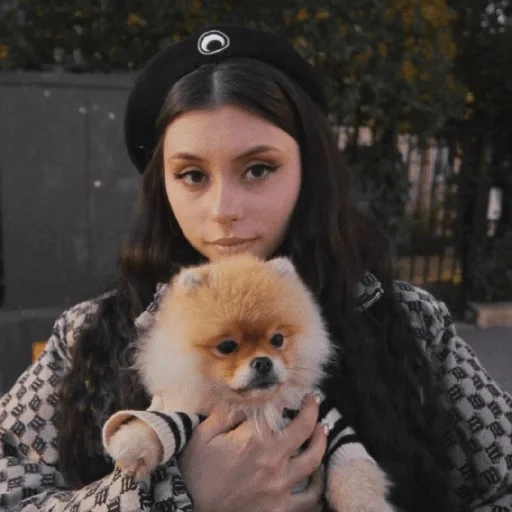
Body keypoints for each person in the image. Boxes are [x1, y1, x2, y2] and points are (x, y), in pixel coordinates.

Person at [1, 22, 511, 512]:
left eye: (258, 169)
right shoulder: (88, 335)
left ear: (308, 170)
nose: (225, 209)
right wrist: (176, 495)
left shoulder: (411, 322)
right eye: (193, 175)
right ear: (163, 185)